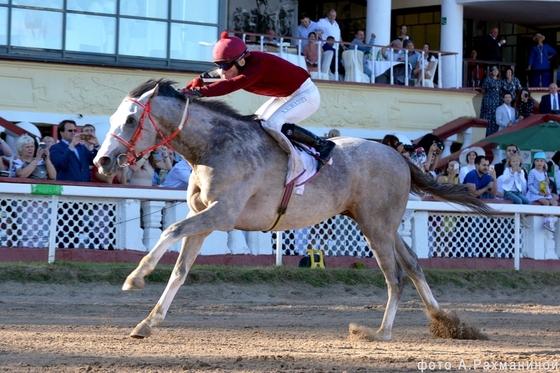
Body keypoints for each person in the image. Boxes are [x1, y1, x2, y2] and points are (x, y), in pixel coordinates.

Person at [183, 32, 335, 171]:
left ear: (241, 61)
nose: (222, 70)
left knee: (273, 123)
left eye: (225, 65)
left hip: (306, 94)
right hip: (287, 95)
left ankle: (321, 145)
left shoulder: (257, 66)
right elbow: (221, 75)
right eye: (218, 65)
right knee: (255, 125)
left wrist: (198, 92)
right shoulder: (239, 64)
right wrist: (199, 80)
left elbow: (231, 84)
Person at [526, 152, 558, 232]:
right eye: (537, 161)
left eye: (541, 161)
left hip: (544, 193)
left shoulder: (544, 173)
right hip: (535, 194)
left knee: (554, 202)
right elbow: (530, 185)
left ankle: (550, 220)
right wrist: (537, 192)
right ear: (534, 162)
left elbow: (546, 184)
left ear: (544, 163)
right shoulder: (532, 172)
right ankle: (545, 221)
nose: (539, 163)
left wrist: (547, 192)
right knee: (546, 202)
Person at [480, 65, 503, 136]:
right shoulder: (488, 79)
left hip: (496, 101)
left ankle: (494, 133)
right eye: (494, 70)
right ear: (491, 72)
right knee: (487, 115)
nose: (495, 72)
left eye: (497, 70)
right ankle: (486, 133)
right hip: (488, 100)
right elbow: (483, 89)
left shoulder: (500, 81)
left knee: (495, 116)